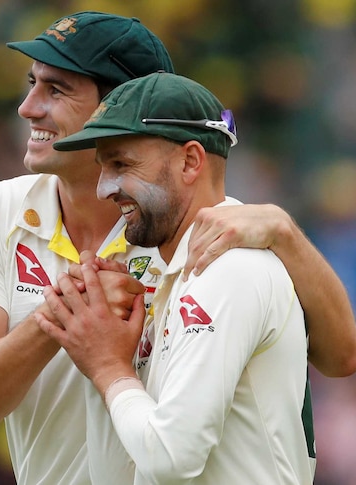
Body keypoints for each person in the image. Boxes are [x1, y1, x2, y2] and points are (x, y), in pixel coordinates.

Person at [0, 11, 356, 485]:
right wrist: (63, 317)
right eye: (32, 84)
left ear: (120, 104)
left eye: (57, 89)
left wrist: (286, 232)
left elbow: (342, 358)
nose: (27, 107)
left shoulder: (213, 232)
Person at [41, 71, 313, 484]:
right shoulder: (165, 276)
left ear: (190, 161)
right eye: (102, 167)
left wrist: (108, 368)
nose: (104, 189)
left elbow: (171, 458)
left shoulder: (231, 271)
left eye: (122, 164)